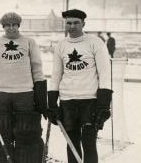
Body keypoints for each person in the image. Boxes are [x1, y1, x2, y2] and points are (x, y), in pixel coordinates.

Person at [0, 12, 46, 163]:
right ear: (3, 26)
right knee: (0, 133)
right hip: (1, 94)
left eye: (14, 25)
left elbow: (37, 70)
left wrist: (41, 101)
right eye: (7, 25)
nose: (11, 28)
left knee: (26, 133)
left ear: (19, 26)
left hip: (25, 94)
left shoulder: (29, 42)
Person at [47, 9, 112, 163]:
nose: (72, 26)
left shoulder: (95, 42)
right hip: (67, 101)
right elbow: (56, 75)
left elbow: (104, 74)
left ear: (83, 23)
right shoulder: (61, 45)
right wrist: (52, 104)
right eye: (69, 23)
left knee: (89, 142)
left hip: (89, 100)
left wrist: (103, 105)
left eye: (76, 23)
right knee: (72, 144)